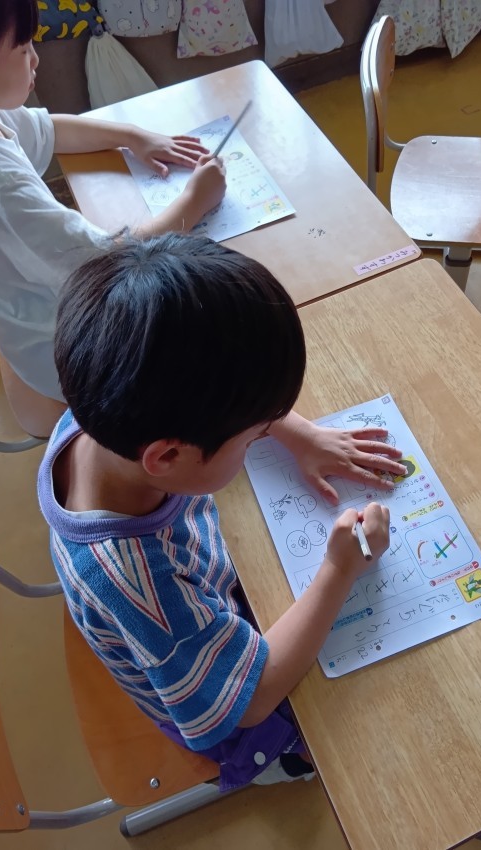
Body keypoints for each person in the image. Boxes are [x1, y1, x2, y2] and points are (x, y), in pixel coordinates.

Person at [37, 233, 404, 789]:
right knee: (382, 717)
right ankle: (292, 766)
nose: (263, 436)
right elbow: (251, 699)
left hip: (199, 617)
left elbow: (209, 377)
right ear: (167, 456)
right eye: (255, 435)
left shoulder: (101, 411)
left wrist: (299, 433)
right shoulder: (142, 582)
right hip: (231, 714)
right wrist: (339, 568)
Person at [0, 0, 226, 438]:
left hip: (32, 316)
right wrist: (194, 202)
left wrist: (134, 136)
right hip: (65, 352)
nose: (35, 59)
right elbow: (109, 263)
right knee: (212, 332)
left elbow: (50, 130)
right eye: (23, 48)